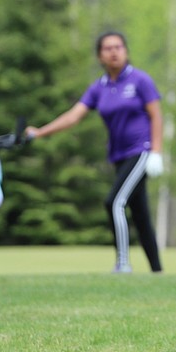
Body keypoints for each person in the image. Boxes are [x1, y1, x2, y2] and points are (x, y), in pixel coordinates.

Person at [26, 31, 165, 274]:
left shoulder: (140, 80)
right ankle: (158, 273)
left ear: (126, 51)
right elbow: (73, 116)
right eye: (108, 48)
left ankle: (122, 265)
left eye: (119, 47)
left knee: (115, 202)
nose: (114, 52)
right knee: (140, 215)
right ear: (100, 56)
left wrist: (156, 151)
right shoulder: (98, 88)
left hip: (140, 152)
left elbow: (156, 115)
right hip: (119, 157)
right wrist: (40, 133)